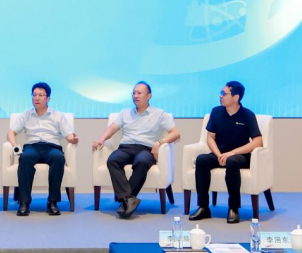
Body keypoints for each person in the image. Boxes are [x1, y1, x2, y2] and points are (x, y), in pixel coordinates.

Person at [93, 81, 181, 219]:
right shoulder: (125, 113)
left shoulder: (159, 114)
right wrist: (101, 139)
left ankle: (126, 199)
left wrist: (160, 143)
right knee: (112, 160)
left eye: (139, 93)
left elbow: (176, 133)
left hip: (145, 149)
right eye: (133, 93)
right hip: (126, 147)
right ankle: (129, 199)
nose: (135, 96)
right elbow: (112, 128)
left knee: (142, 161)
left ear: (149, 96)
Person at [189, 81, 262, 224]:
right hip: (220, 154)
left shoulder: (247, 115)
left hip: (240, 156)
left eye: (224, 93)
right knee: (201, 160)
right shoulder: (216, 112)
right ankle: (203, 207)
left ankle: (233, 208)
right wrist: (218, 154)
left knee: (232, 161)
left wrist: (232, 153)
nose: (220, 96)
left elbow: (258, 142)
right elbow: (210, 137)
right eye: (220, 93)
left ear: (236, 97)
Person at [8, 82, 79, 216]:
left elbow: (69, 135)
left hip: (51, 147)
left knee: (58, 157)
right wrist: (14, 145)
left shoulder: (57, 115)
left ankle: (52, 202)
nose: (37, 98)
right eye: (34, 95)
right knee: (25, 157)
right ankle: (24, 203)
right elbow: (11, 132)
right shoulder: (26, 115)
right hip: (32, 146)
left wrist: (73, 139)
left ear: (48, 98)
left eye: (40, 95)